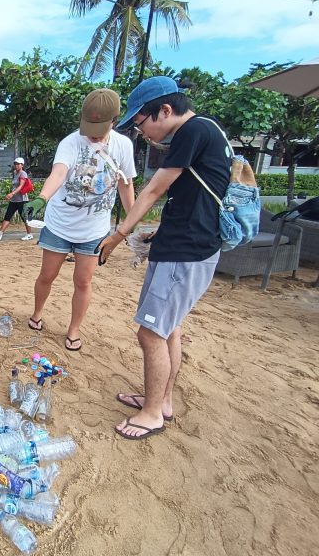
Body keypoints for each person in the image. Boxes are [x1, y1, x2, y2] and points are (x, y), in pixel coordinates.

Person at [97, 76, 231, 440]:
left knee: (151, 333)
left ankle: (152, 412)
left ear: (165, 110)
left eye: (140, 124)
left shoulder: (192, 131)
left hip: (185, 252)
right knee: (169, 328)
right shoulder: (208, 131)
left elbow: (155, 188)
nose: (142, 133)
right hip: (185, 245)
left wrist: (119, 233)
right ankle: (163, 400)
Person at [24, 89, 136, 352]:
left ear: (114, 120)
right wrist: (42, 198)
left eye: (99, 127)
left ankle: (73, 329)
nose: (92, 133)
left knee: (83, 281)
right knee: (47, 275)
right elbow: (59, 172)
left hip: (94, 229)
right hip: (60, 224)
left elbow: (125, 185)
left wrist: (131, 222)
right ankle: (37, 312)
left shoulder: (123, 146)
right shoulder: (70, 143)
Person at [0, 157, 34, 241]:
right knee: (8, 216)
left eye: (18, 164)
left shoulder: (23, 174)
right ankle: (0, 233)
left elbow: (21, 186)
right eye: (15, 164)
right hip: (14, 200)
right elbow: (14, 185)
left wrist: (12, 193)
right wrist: (12, 195)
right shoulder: (14, 173)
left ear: (22, 165)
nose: (16, 165)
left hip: (22, 200)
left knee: (25, 218)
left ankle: (29, 234)